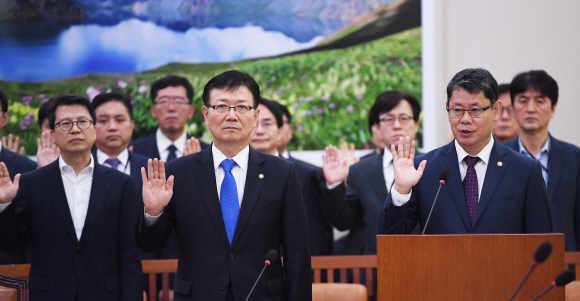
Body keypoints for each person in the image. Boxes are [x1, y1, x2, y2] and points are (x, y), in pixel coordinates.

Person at [135, 70, 311, 301]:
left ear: (255, 115)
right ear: (206, 115)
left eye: (241, 107)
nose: (231, 115)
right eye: (221, 107)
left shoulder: (282, 173)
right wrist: (153, 212)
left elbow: (297, 254)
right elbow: (150, 244)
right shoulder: (177, 173)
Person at [0, 94, 142, 300]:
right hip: (50, 294)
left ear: (94, 130)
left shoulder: (121, 184)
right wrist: (4, 205)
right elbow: (9, 244)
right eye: (65, 123)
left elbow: (130, 257)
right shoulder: (32, 183)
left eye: (83, 122)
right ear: (53, 134)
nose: (75, 129)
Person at [377, 68, 552, 235]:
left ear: (496, 110)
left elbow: (541, 240)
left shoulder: (524, 170)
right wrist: (400, 190)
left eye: (475, 110)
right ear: (448, 110)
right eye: (457, 110)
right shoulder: (424, 168)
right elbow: (390, 238)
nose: (465, 119)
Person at [92, 92, 178, 299]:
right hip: (92, 278)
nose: (112, 127)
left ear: (131, 125)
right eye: (103, 120)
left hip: (147, 275)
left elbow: (170, 230)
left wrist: (169, 284)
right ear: (92, 127)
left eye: (120, 120)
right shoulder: (79, 171)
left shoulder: (155, 169)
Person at [322, 90, 421, 256]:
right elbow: (343, 222)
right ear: (378, 127)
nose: (396, 125)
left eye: (404, 118)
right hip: (371, 266)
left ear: (416, 124)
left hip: (420, 259)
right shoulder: (360, 170)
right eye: (389, 119)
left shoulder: (431, 165)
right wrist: (336, 184)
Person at [504, 70, 580, 252]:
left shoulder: (574, 157)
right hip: (513, 260)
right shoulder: (500, 158)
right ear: (513, 109)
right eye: (523, 101)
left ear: (553, 108)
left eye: (540, 101)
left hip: (566, 264)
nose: (530, 109)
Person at [252, 99, 332, 256]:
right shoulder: (231, 171)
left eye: (267, 123)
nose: (259, 130)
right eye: (254, 123)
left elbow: (313, 236)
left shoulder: (303, 175)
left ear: (280, 131)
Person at [130, 75, 209, 161]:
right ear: (153, 110)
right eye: (164, 101)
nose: (171, 108)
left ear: (190, 111)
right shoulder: (133, 151)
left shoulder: (207, 153)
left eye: (179, 101)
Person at [0, 89, 37, 265]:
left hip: (8, 275)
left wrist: (4, 204)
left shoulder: (26, 169)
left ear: (5, 118)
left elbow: (30, 232)